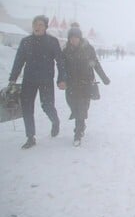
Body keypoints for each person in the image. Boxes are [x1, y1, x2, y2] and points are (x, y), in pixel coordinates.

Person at [8, 15, 66, 149]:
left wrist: (61, 78)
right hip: (29, 80)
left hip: (46, 80)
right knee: (27, 108)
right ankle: (30, 137)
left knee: (47, 106)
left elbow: (60, 61)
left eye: (40, 24)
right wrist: (12, 79)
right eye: (35, 24)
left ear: (45, 27)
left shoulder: (52, 41)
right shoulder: (25, 42)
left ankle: (55, 121)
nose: (37, 27)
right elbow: (18, 61)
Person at [63, 24, 111, 145]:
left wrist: (104, 78)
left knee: (82, 108)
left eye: (75, 37)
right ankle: (81, 124)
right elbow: (61, 67)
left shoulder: (88, 49)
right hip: (71, 84)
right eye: (71, 38)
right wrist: (61, 80)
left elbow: (95, 64)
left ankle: (78, 133)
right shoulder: (66, 51)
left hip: (85, 84)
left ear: (80, 38)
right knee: (73, 106)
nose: (73, 40)